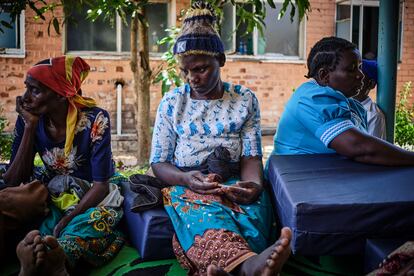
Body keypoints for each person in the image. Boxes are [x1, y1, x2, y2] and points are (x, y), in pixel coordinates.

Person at [150, 2, 292, 275]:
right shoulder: (171, 103)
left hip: (233, 181)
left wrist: (251, 184)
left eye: (201, 69)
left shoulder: (244, 100)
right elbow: (159, 163)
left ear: (221, 61)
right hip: (190, 185)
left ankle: (232, 267)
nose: (193, 78)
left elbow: (251, 156)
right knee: (202, 212)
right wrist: (186, 178)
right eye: (186, 71)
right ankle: (248, 267)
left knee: (253, 210)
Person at [0, 56, 124, 275]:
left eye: (35, 91)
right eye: (26, 88)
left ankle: (55, 259)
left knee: (95, 221)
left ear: (60, 94)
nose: (25, 98)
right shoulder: (30, 118)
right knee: (19, 205)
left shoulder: (95, 120)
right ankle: (41, 256)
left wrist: (70, 216)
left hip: (89, 194)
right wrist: (29, 127)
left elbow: (101, 186)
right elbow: (13, 179)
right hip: (52, 189)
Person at [271, 36, 414, 166]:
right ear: (324, 75)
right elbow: (359, 148)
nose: (360, 75)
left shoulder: (353, 106)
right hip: (295, 184)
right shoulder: (311, 98)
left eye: (359, 68)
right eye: (351, 69)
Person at [353, 59, 387, 139]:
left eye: (359, 76)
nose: (352, 78)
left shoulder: (374, 115)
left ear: (371, 84)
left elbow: (372, 150)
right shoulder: (343, 105)